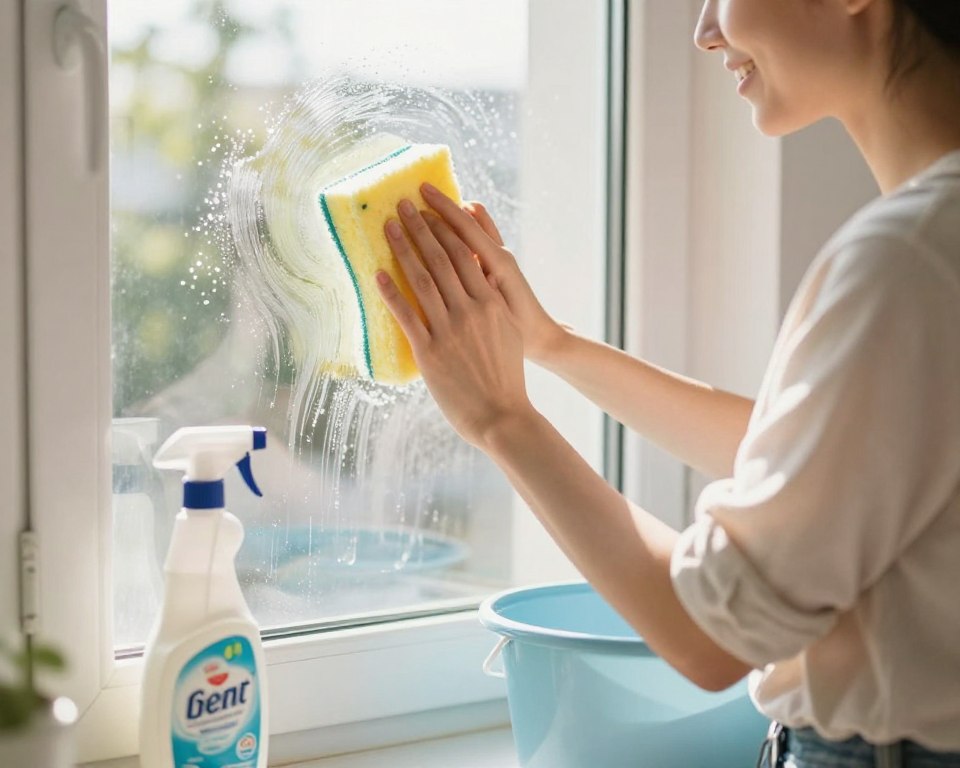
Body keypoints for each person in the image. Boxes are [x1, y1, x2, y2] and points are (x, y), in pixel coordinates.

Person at [374, 0, 960, 765]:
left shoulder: (909, 259)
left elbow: (708, 636)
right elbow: (821, 463)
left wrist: (500, 420)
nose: (704, 30)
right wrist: (555, 346)